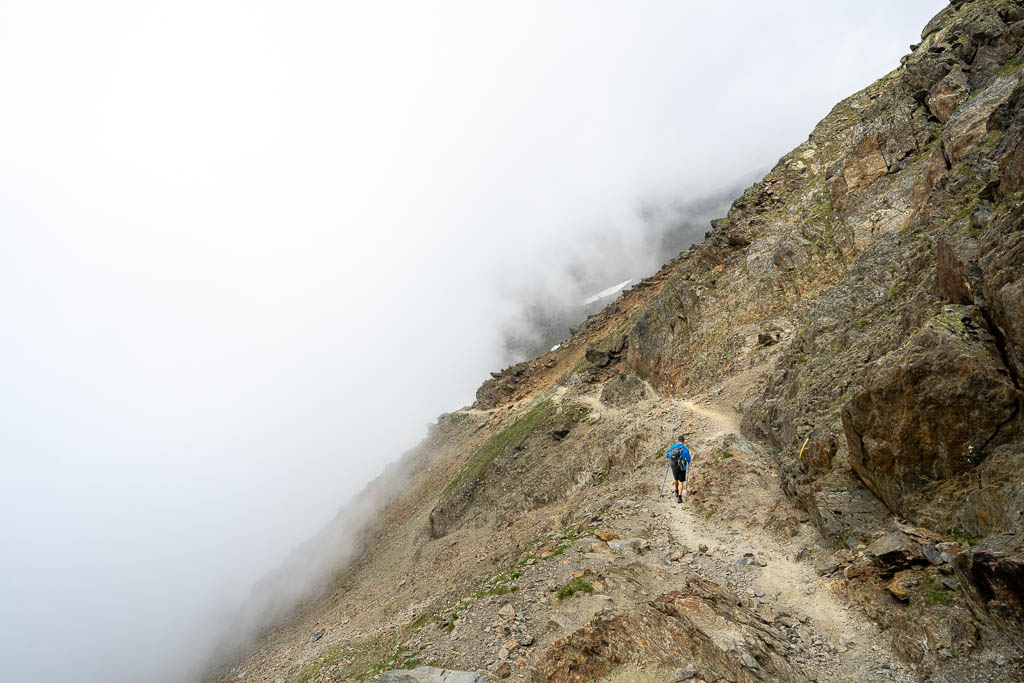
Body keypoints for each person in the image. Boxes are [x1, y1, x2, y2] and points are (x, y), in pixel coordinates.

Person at [665, 435, 691, 503]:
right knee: (681, 482)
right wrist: (687, 461)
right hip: (682, 467)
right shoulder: (685, 449)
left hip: (674, 466)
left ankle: (676, 490)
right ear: (683, 441)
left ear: (678, 440)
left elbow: (667, 455)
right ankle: (680, 497)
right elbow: (688, 460)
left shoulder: (673, 447)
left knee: (676, 479)